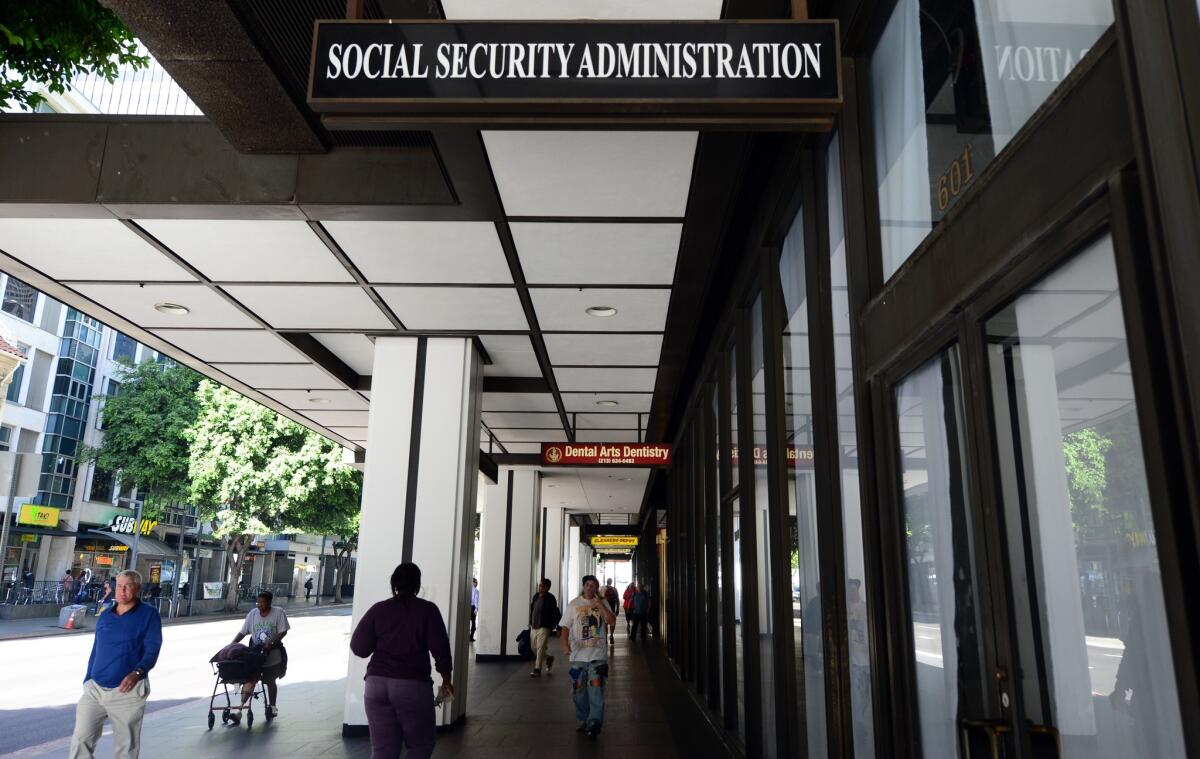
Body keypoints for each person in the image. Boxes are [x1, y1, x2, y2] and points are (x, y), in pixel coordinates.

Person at [351, 562, 452, 759]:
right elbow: (441, 650)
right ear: (417, 584)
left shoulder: (378, 609)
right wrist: (446, 679)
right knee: (420, 745)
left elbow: (359, 648)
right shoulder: (427, 610)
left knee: (383, 750)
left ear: (394, 583)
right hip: (412, 685)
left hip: (375, 685)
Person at [69, 570, 162, 759]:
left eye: (128, 586)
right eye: (119, 586)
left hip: (127, 692)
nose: (122, 590)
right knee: (80, 741)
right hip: (95, 689)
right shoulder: (106, 615)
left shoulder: (149, 614)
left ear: (138, 588)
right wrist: (88, 678)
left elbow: (153, 649)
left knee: (126, 748)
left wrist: (138, 672)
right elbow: (96, 649)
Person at [561, 575, 616, 739]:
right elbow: (564, 626)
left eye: (593, 585)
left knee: (596, 689)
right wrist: (565, 643)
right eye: (587, 585)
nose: (590, 588)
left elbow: (611, 621)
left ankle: (594, 722)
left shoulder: (602, 602)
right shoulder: (574, 604)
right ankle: (582, 719)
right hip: (577, 658)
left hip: (597, 657)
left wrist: (601, 605)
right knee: (577, 689)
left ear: (597, 588)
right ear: (583, 586)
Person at [230, 590, 289, 719]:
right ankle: (240, 709)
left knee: (270, 681)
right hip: (256, 653)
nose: (259, 604)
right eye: (258, 602)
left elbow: (283, 631)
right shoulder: (253, 614)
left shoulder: (278, 612)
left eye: (263, 602)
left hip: (272, 654)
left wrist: (271, 643)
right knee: (250, 679)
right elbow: (243, 632)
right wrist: (233, 643)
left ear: (269, 602)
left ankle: (272, 707)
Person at [528, 578, 561, 677]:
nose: (539, 587)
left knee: (540, 647)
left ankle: (537, 669)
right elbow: (533, 609)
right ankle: (548, 658)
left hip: (545, 626)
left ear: (547, 587)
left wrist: (558, 627)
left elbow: (555, 613)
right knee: (533, 647)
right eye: (539, 585)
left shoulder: (550, 598)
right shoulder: (536, 596)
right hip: (534, 626)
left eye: (542, 586)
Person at [602, 580, 620, 645]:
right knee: (612, 623)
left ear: (607, 582)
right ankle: (611, 635)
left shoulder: (602, 588)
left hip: (604, 609)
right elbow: (617, 599)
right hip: (612, 609)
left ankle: (606, 638)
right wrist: (617, 609)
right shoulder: (614, 589)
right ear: (611, 582)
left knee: (605, 624)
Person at [469, 578, 479, 642]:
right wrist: (476, 609)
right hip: (472, 607)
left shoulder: (469, 590)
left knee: (471, 623)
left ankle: (470, 636)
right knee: (473, 623)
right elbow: (476, 601)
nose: (475, 583)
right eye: (475, 582)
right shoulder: (476, 591)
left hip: (469, 607)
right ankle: (471, 637)